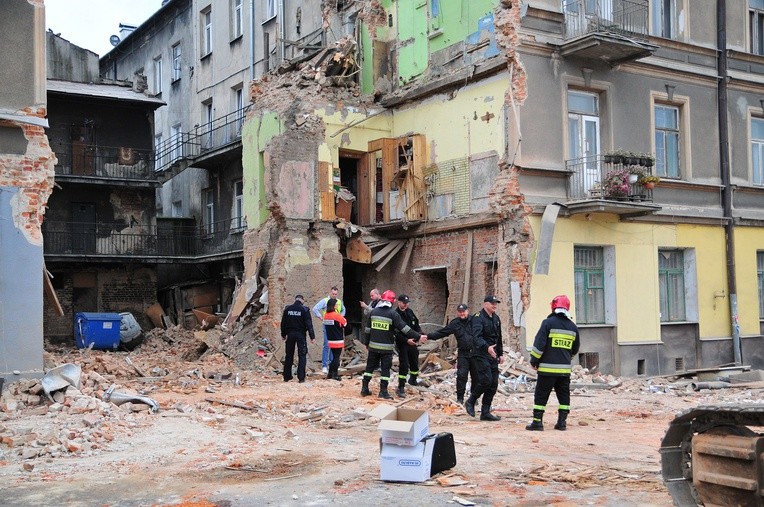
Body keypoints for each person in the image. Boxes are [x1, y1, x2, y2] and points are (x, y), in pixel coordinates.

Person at [526, 295, 580, 431]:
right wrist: (566, 359)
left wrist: (534, 360)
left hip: (547, 370)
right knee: (564, 396)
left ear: (554, 306)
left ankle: (537, 422)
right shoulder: (573, 327)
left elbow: (539, 346)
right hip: (564, 371)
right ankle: (562, 423)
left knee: (541, 395)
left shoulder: (547, 323)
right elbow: (575, 349)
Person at [362, 290, 427, 399]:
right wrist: (418, 336)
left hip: (373, 347)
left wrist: (367, 343)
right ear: (393, 302)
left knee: (369, 368)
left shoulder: (373, 312)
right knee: (385, 370)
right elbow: (405, 329)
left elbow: (367, 330)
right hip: (386, 349)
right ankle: (383, 392)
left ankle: (364, 389)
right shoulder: (393, 314)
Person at [426, 303, 477, 404]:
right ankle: (460, 398)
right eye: (460, 312)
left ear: (468, 311)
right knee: (462, 375)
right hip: (463, 353)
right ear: (457, 312)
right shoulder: (455, 323)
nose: (462, 313)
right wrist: (427, 336)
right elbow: (442, 332)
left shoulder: (475, 321)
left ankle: (473, 398)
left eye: (464, 311)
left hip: (476, 353)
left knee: (476, 376)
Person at [465, 295, 503, 421]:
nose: (494, 305)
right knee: (486, 379)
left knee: (493, 384)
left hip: (492, 354)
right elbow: (476, 337)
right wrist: (487, 347)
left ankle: (485, 412)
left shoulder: (496, 318)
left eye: (496, 303)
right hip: (480, 353)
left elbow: (498, 338)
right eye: (492, 303)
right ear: (485, 304)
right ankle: (471, 401)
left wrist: (501, 353)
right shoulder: (478, 318)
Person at [280, 294, 316, 383]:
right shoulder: (304, 310)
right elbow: (309, 324)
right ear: (302, 300)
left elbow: (283, 323)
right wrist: (312, 337)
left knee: (289, 355)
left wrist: (283, 334)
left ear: (295, 299)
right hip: (300, 335)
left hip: (290, 335)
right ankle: (301, 378)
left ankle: (287, 376)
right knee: (302, 355)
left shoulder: (288, 309)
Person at [393, 294, 423, 397]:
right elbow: (396, 333)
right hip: (403, 343)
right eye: (404, 303)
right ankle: (401, 387)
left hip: (413, 342)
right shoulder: (395, 314)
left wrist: (420, 335)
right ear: (399, 302)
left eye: (407, 303)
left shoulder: (410, 312)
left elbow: (416, 324)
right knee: (404, 364)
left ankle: (413, 379)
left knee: (414, 361)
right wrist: (406, 340)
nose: (405, 305)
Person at [312, 286, 345, 374]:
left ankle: (332, 365)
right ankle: (324, 365)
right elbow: (315, 309)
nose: (334, 295)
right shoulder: (325, 301)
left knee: (333, 346)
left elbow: (343, 310)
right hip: (327, 325)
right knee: (327, 345)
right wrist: (320, 317)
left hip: (336, 325)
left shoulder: (339, 301)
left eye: (336, 294)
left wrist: (340, 317)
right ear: (330, 292)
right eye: (333, 294)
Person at [322, 298, 347, 381]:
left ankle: (330, 373)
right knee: (336, 358)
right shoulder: (336, 315)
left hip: (330, 339)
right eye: (336, 304)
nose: (337, 305)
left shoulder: (326, 315)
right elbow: (345, 323)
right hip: (338, 339)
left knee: (334, 356)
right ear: (333, 305)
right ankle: (335, 374)